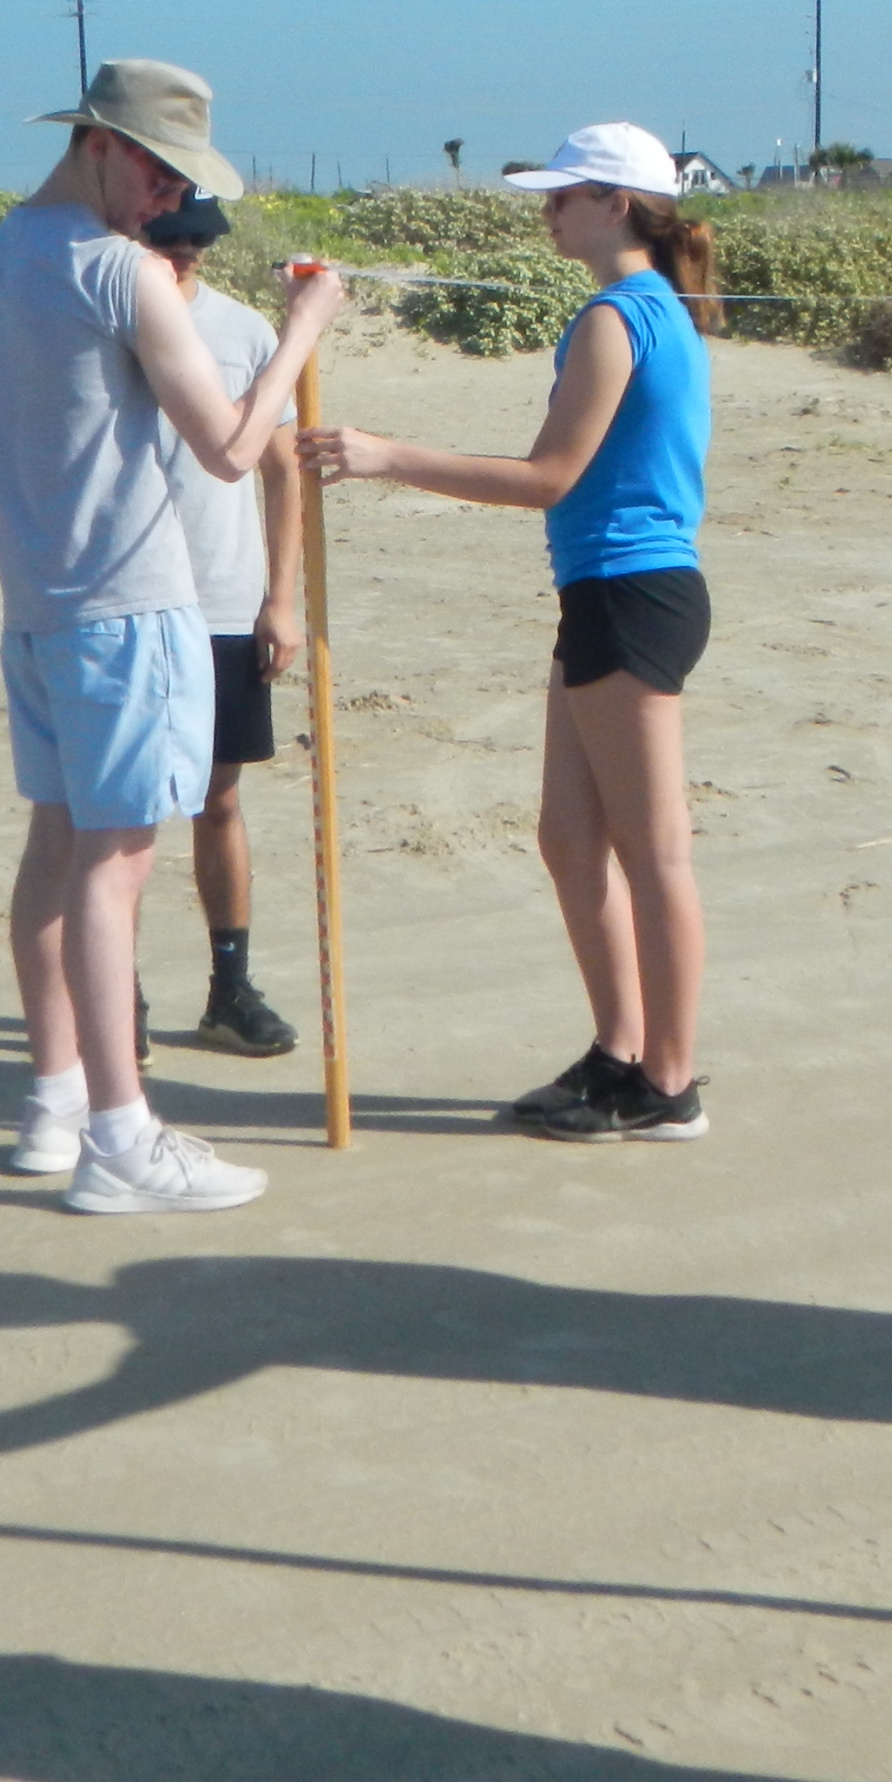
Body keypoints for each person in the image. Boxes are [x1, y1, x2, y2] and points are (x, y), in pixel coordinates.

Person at [0, 60, 345, 1214]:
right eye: (161, 168)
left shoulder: (4, 252)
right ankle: (121, 1137)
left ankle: (57, 1102)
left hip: (40, 608)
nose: (171, 197)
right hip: (125, 607)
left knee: (59, 846)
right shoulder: (114, 268)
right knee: (114, 863)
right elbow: (234, 447)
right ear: (101, 145)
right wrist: (303, 327)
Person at [304, 123, 719, 1144]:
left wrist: (384, 454)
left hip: (633, 592)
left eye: (564, 194)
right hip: (607, 593)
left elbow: (548, 479)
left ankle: (666, 1081)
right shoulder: (644, 309)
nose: (548, 210)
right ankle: (617, 1050)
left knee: (653, 851)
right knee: (569, 836)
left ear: (615, 203)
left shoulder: (619, 318)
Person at [140, 191, 307, 1059]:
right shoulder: (105, 318)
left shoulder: (241, 332)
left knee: (221, 796)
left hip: (225, 599)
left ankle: (229, 987)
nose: (179, 261)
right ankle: (115, 992)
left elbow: (280, 470)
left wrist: (281, 597)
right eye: (165, 245)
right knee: (120, 809)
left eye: (193, 250)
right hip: (130, 600)